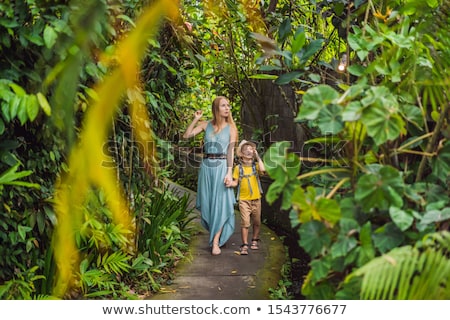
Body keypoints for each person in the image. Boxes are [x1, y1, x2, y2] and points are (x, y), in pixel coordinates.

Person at [182, 96, 238, 256]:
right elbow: (186, 136)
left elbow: (231, 151)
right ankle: (216, 233)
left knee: (220, 205)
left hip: (221, 167)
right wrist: (195, 119)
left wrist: (229, 172)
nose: (227, 108)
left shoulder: (231, 128)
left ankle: (215, 242)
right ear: (216, 108)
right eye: (223, 105)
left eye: (228, 105)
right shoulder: (205, 125)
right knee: (208, 204)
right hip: (206, 167)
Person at [228, 140, 265, 255]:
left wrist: (258, 157)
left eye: (251, 150)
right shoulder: (238, 168)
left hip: (256, 199)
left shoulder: (256, 167)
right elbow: (235, 183)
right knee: (245, 222)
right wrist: (229, 183)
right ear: (242, 155)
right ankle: (244, 244)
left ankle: (254, 240)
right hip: (244, 200)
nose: (250, 151)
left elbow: (263, 170)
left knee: (257, 221)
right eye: (247, 150)